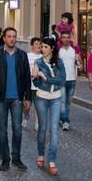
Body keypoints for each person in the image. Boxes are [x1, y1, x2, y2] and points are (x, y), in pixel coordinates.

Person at [0, 27, 32, 172]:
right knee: (2, 131)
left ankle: (16, 158)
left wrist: (28, 98)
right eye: (9, 36)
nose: (12, 39)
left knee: (17, 130)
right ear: (4, 38)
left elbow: (26, 78)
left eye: (14, 36)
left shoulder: (22, 55)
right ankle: (5, 159)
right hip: (0, 99)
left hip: (17, 99)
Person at [31, 37, 65, 176]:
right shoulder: (37, 62)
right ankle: (40, 154)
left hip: (56, 98)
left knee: (54, 131)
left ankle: (51, 161)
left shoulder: (59, 62)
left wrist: (47, 78)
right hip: (41, 98)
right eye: (41, 47)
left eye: (45, 47)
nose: (42, 49)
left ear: (51, 48)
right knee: (43, 128)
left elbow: (62, 79)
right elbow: (36, 82)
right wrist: (37, 75)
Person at [57, 30, 79, 131]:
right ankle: (66, 121)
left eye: (67, 37)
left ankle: (62, 118)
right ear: (61, 39)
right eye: (64, 37)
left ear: (70, 38)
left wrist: (79, 64)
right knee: (62, 101)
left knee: (68, 102)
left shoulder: (74, 50)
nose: (66, 39)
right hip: (61, 80)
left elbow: (78, 62)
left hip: (72, 80)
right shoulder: (58, 51)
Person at [25, 37, 43, 131]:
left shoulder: (42, 57)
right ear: (32, 45)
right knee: (27, 106)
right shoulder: (27, 56)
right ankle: (26, 115)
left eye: (40, 44)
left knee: (38, 106)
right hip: (28, 86)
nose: (38, 46)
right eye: (36, 43)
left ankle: (37, 123)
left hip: (39, 86)